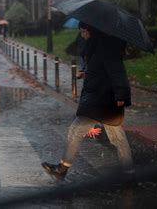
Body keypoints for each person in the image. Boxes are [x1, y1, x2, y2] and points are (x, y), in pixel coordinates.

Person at [41, 21, 134, 179]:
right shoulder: (96, 46)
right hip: (101, 98)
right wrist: (86, 72)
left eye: (84, 31)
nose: (82, 35)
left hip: (102, 99)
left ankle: (62, 168)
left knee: (76, 130)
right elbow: (100, 68)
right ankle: (129, 171)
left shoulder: (105, 48)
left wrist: (122, 95)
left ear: (92, 31)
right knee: (117, 137)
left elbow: (117, 71)